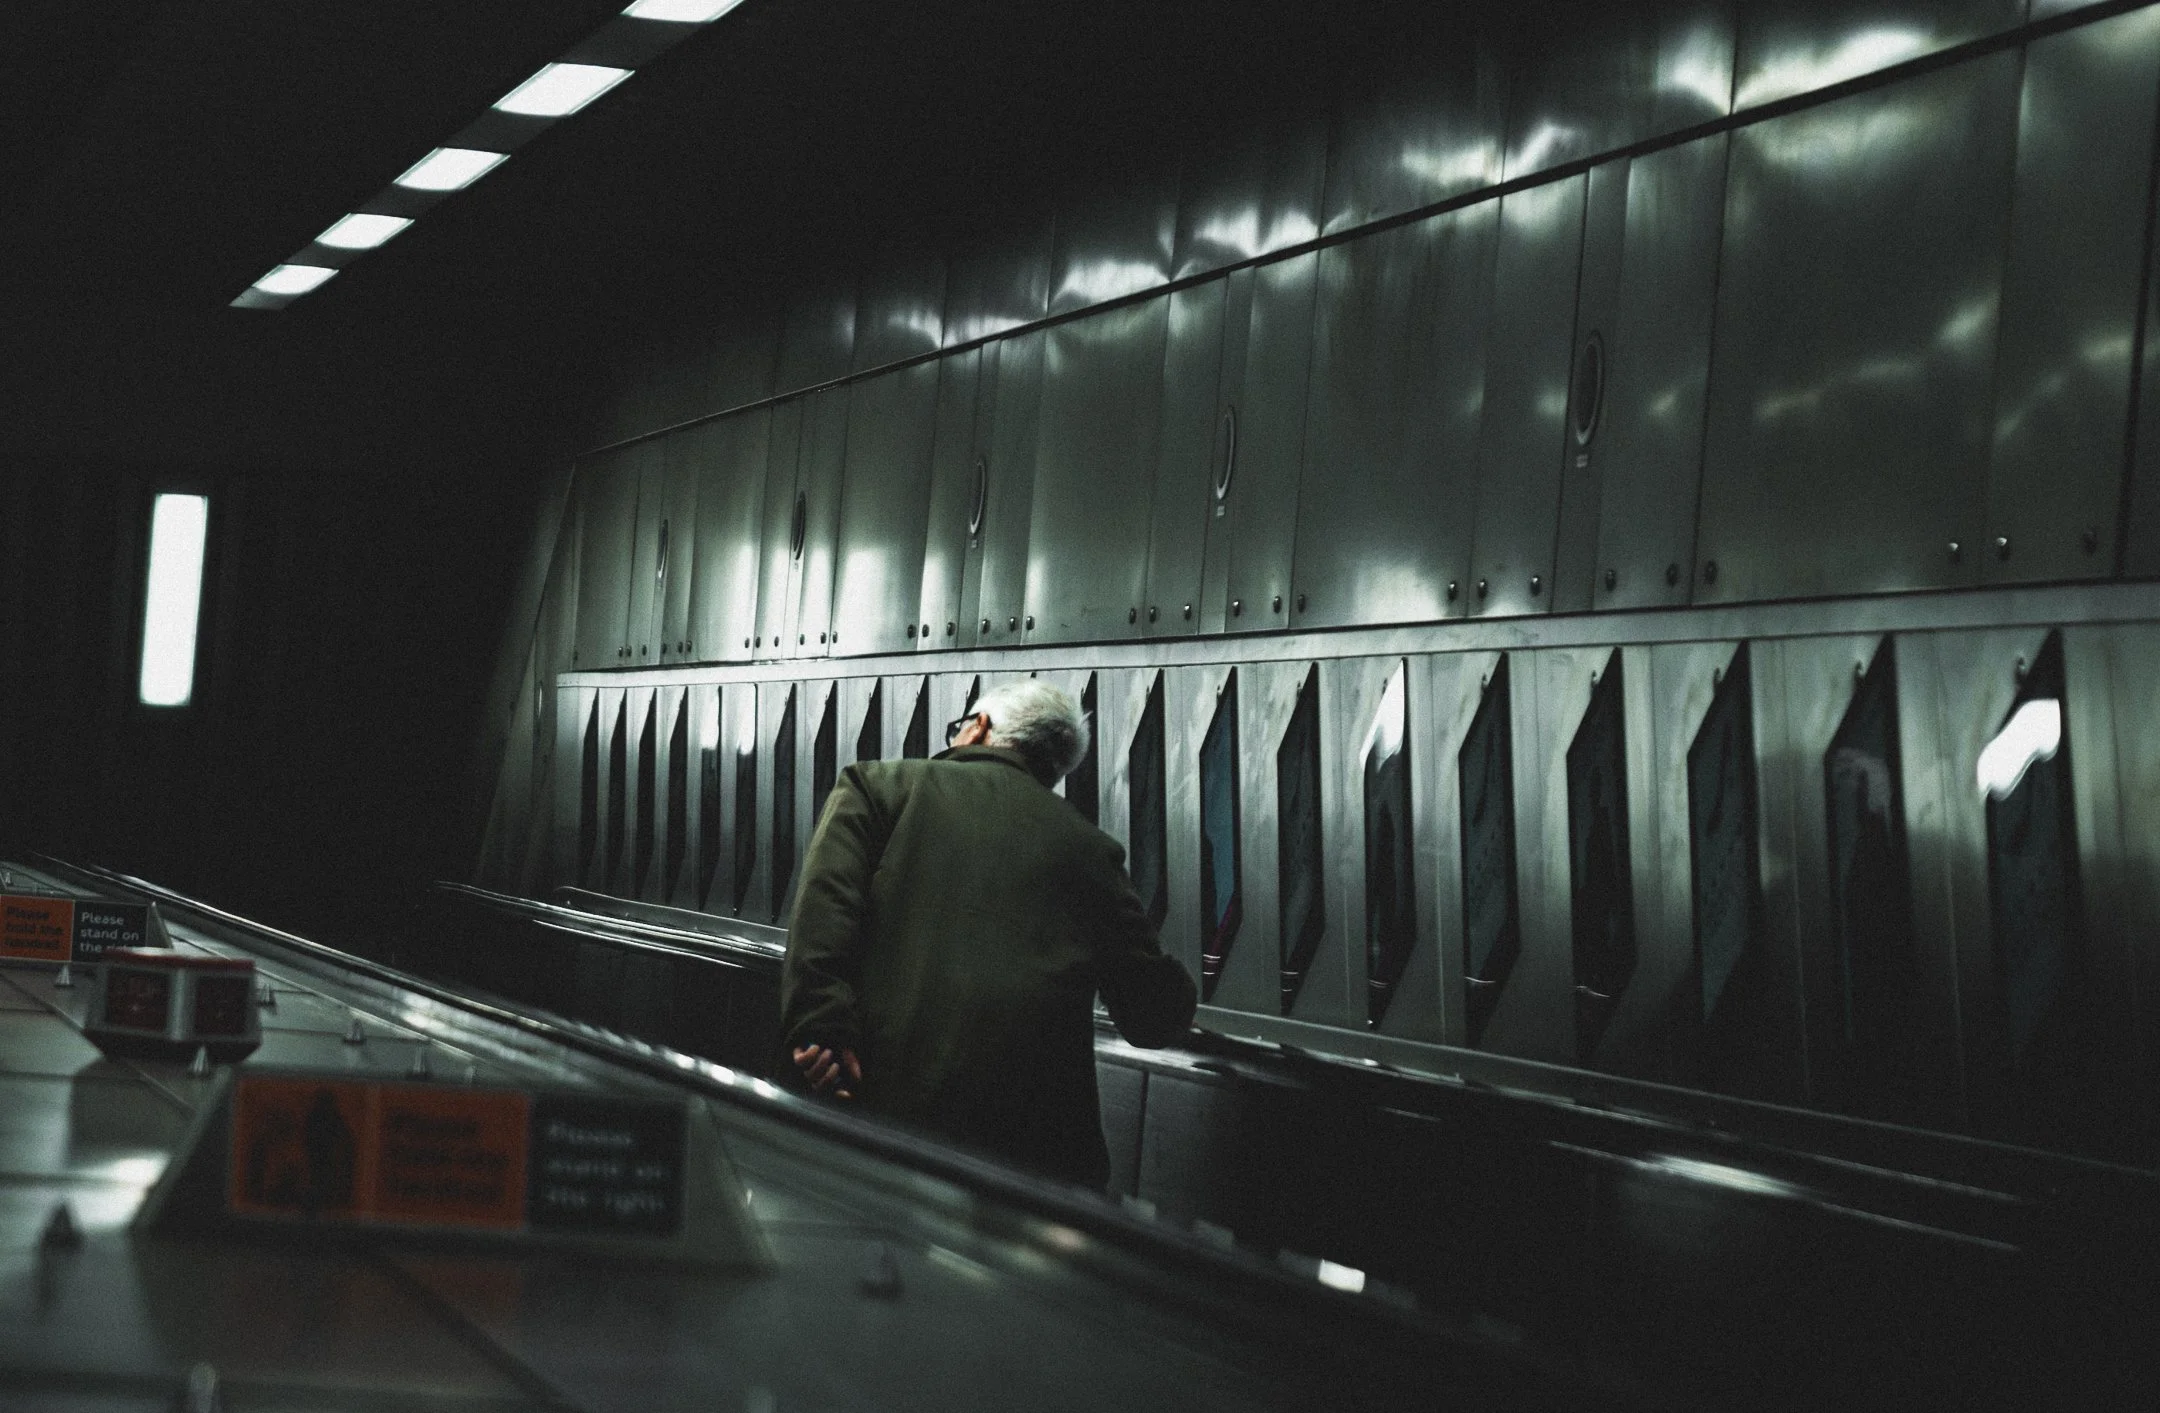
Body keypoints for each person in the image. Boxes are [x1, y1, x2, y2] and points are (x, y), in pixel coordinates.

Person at [780, 678, 1197, 1188]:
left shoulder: (877, 786)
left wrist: (822, 1029)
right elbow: (1152, 1016)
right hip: (1029, 1162)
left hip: (883, 1116)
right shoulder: (1091, 852)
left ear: (978, 729)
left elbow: (825, 915)